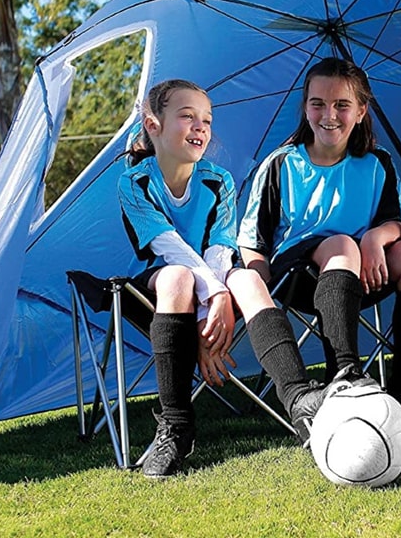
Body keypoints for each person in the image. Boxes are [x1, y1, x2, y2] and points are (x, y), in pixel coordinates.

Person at [118, 79, 329, 478]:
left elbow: (220, 249)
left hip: (216, 281)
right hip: (160, 291)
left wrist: (218, 299)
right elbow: (167, 246)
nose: (200, 127)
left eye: (207, 120)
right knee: (178, 276)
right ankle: (176, 426)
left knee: (248, 280)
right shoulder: (134, 181)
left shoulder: (219, 181)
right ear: (153, 124)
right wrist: (211, 304)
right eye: (187, 116)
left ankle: (300, 400)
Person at [237, 56, 401, 432]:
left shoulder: (376, 161)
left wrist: (374, 237)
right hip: (299, 277)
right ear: (305, 109)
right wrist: (259, 293)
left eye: (342, 105)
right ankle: (345, 375)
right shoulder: (280, 164)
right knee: (340, 244)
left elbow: (396, 222)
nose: (328, 114)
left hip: (364, 269)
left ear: (361, 110)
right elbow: (253, 241)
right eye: (317, 103)